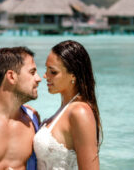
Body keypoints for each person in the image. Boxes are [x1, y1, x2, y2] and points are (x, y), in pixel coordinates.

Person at [33, 40, 102, 170]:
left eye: (53, 72)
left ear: (73, 75)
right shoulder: (64, 110)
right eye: (46, 69)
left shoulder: (80, 112)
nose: (45, 76)